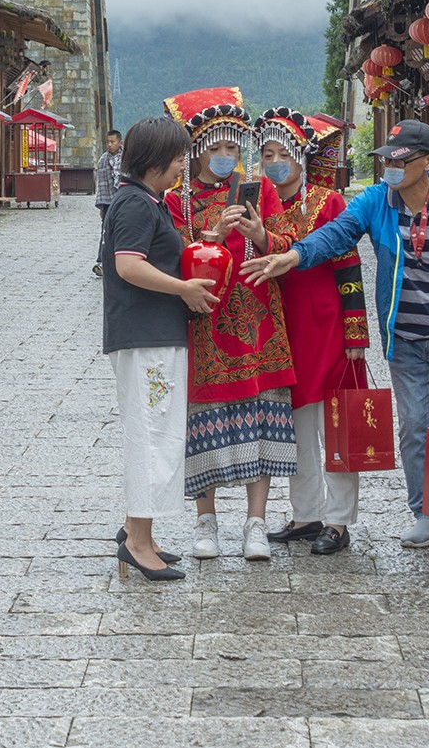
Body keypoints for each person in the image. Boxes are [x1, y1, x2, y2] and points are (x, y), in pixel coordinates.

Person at [244, 117, 429, 548]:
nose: (389, 165)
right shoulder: (375, 201)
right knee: (412, 426)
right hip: (404, 336)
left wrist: (354, 337)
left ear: (427, 162)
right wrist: (293, 256)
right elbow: (336, 237)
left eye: (399, 159)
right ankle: (425, 512)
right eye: (385, 158)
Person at [163, 87, 297, 562]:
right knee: (206, 419)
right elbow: (171, 262)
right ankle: (206, 520)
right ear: (197, 149)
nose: (225, 156)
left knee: (261, 416)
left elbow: (286, 243)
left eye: (232, 148)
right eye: (215, 147)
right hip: (207, 319)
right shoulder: (176, 197)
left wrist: (258, 233)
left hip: (259, 316)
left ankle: (255, 524)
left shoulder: (258, 189)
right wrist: (212, 237)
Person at [103, 114, 218, 583]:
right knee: (151, 436)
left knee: (158, 433)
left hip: (157, 334)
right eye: (175, 160)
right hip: (145, 336)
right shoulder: (134, 203)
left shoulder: (148, 200)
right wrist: (183, 289)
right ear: (152, 162)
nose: (180, 169)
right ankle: (137, 541)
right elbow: (128, 266)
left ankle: (140, 534)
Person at [255, 109, 368, 555]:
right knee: (295, 428)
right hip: (283, 333)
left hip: (328, 326)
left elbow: (349, 266)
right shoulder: (258, 204)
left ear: (302, 157)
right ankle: (306, 514)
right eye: (268, 154)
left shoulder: (328, 203)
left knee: (333, 425)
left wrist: (356, 332)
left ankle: (339, 522)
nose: (276, 162)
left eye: (284, 153)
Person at [92, 129, 122, 277]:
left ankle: (120, 262)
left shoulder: (126, 159)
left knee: (122, 231)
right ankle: (102, 262)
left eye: (112, 142)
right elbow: (101, 183)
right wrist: (101, 205)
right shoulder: (103, 159)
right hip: (108, 202)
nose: (109, 145)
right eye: (107, 142)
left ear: (120, 142)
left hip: (122, 201)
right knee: (106, 231)